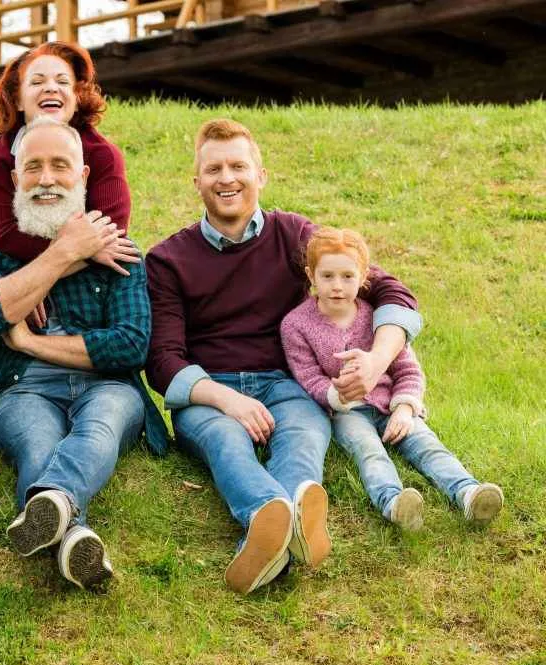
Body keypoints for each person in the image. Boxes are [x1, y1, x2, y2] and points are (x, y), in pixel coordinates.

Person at [145, 118, 423, 594]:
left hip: (284, 381)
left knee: (305, 435)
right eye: (214, 169)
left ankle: (293, 506)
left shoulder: (295, 236)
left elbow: (389, 287)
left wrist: (377, 361)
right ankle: (265, 514)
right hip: (209, 391)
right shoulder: (168, 259)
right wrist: (226, 400)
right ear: (197, 183)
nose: (227, 178)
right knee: (226, 444)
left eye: (238, 166)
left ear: (261, 175)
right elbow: (163, 357)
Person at [0, 117, 167, 591]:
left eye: (60, 165)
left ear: (83, 176)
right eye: (33, 167)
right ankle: (73, 533)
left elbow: (130, 346)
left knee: (102, 424)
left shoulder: (120, 251)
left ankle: (56, 504)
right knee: (38, 443)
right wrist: (61, 254)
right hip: (22, 389)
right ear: (15, 180)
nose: (47, 178)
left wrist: (31, 342)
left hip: (108, 388)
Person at [281, 227, 504, 531]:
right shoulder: (296, 325)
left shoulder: (377, 317)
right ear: (311, 275)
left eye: (348, 276)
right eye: (327, 276)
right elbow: (308, 378)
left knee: (427, 444)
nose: (337, 286)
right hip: (347, 412)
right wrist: (338, 395)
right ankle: (393, 502)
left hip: (391, 404)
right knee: (368, 451)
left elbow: (408, 369)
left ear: (363, 277)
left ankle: (468, 493)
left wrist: (405, 408)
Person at [0, 41, 140, 400]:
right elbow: (2, 235)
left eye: (63, 81)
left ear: (76, 96)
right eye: (38, 81)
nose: (51, 87)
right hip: (20, 261)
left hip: (86, 279)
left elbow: (109, 230)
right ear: (17, 99)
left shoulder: (102, 154)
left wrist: (42, 278)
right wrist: (33, 280)